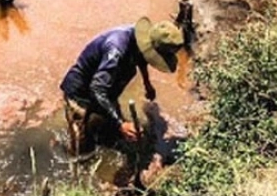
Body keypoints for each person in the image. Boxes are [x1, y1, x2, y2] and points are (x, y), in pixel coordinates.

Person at [60, 17, 184, 155]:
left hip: (107, 89)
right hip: (80, 92)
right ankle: (64, 148)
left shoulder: (141, 41)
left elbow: (142, 59)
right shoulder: (116, 49)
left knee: (112, 135)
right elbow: (97, 89)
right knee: (81, 148)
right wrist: (121, 124)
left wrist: (147, 83)